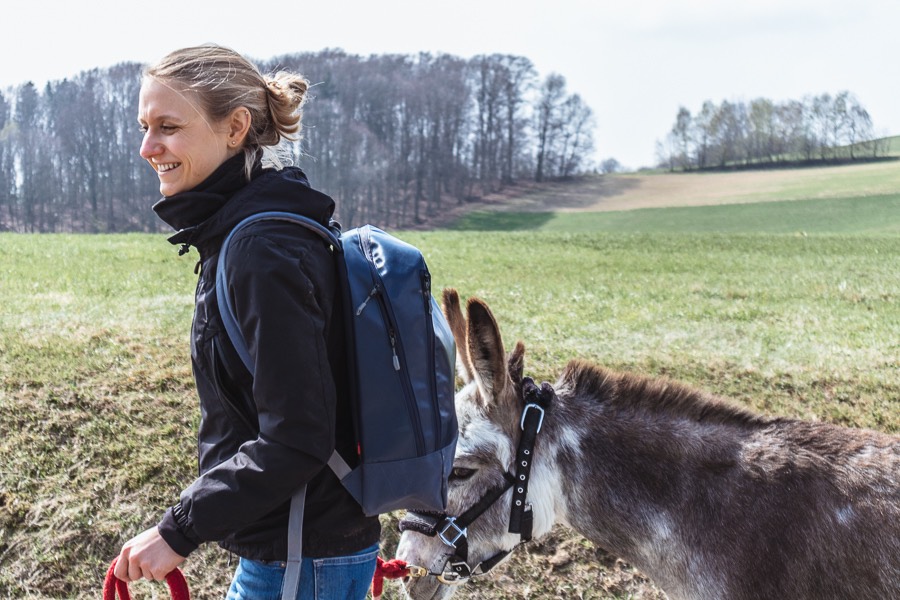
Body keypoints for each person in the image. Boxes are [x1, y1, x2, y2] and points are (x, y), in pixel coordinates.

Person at [114, 44, 381, 599]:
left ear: (235, 127)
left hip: (301, 562)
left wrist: (177, 532)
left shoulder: (261, 247)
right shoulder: (254, 231)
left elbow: (298, 437)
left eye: (168, 126)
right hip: (302, 554)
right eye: (144, 126)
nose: (147, 147)